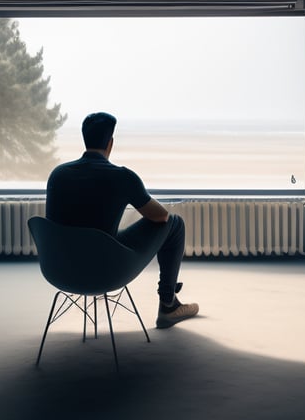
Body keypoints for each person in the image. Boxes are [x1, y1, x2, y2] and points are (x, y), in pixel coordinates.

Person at [46, 112, 199, 328]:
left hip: (59, 269)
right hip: (105, 270)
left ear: (85, 139)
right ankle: (168, 303)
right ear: (110, 143)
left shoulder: (58, 175)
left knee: (101, 236)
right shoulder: (122, 177)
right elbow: (161, 216)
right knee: (174, 223)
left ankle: (169, 298)